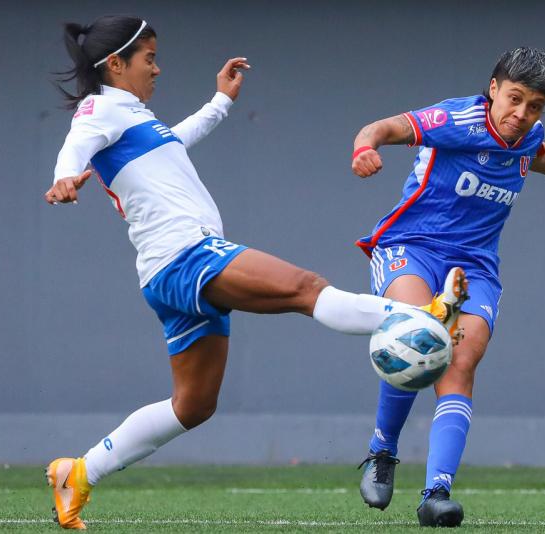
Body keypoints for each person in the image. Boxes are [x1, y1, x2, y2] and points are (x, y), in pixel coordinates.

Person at [43, 15, 462, 530]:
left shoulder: (132, 118)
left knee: (192, 406)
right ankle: (418, 314)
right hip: (187, 256)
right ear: (115, 64)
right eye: (148, 59)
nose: (158, 69)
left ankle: (79, 473)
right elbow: (75, 142)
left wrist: (220, 102)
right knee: (306, 289)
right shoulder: (101, 108)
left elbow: (174, 140)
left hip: (166, 274)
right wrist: (65, 178)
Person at [351, 47, 545, 527]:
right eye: (515, 99)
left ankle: (436, 493)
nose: (522, 114)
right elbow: (382, 128)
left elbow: (544, 156)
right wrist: (364, 149)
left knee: (459, 361)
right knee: (417, 333)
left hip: (474, 266)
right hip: (410, 247)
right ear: (494, 88)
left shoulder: (528, 137)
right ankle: (383, 449)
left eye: (536, 106)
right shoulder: (456, 119)